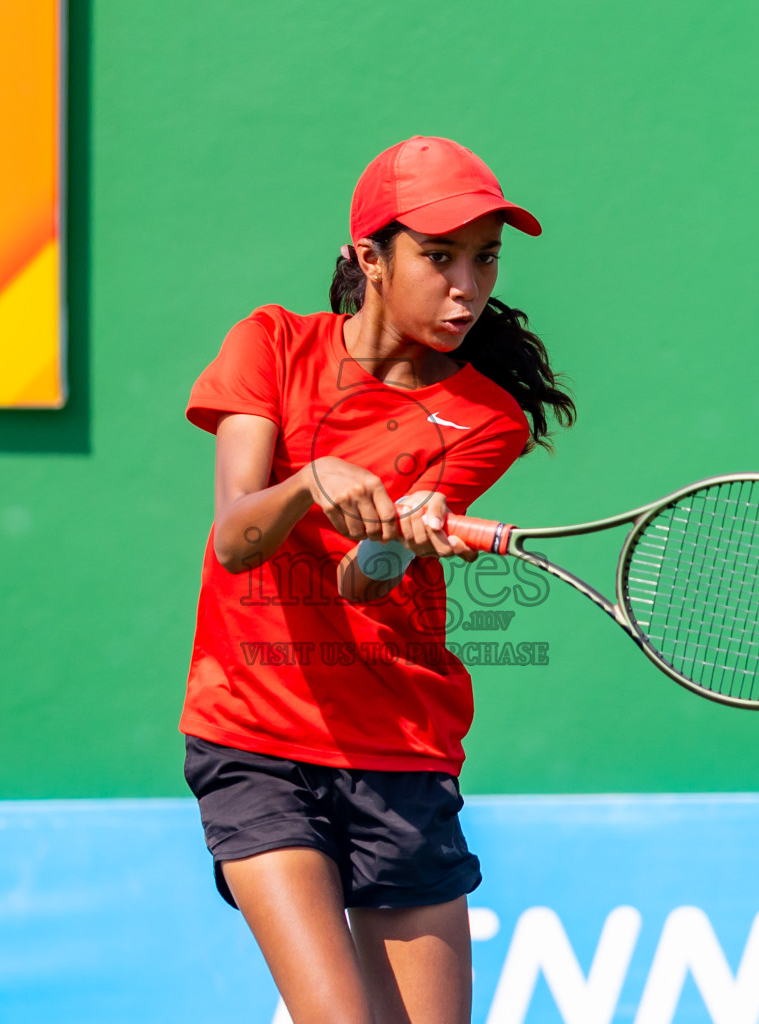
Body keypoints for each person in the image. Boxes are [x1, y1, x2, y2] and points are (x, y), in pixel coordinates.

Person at [181, 136, 575, 1024]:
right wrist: (309, 483)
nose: (466, 286)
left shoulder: (486, 419)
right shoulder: (271, 345)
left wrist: (405, 540)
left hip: (400, 750)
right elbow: (236, 537)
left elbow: (365, 584)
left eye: (484, 259)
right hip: (255, 743)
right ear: (371, 258)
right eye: (438, 258)